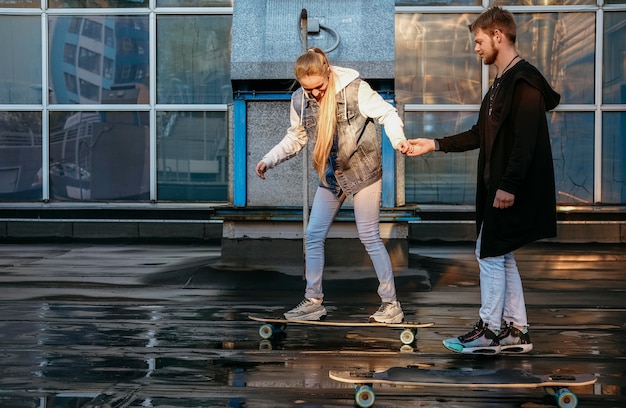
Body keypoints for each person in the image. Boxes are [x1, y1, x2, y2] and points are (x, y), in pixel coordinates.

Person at [406, 6, 560, 354]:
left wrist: (509, 186)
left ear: (497, 36)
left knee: (488, 252)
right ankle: (516, 331)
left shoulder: (524, 81)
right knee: (499, 254)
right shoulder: (501, 83)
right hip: (497, 188)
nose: (476, 48)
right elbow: (481, 134)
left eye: (478, 41)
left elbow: (525, 141)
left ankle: (490, 331)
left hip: (508, 189)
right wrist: (433, 144)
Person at [255, 47, 411, 323]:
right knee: (313, 234)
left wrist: (398, 140)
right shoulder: (299, 100)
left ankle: (391, 304)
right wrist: (269, 159)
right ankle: (313, 301)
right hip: (331, 176)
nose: (314, 94)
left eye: (318, 87)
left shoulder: (355, 89)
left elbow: (387, 113)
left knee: (369, 236)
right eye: (308, 89)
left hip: (363, 173)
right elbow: (295, 138)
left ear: (327, 72)